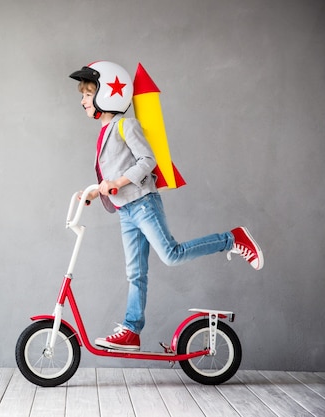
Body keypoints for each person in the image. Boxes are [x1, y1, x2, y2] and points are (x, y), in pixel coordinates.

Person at [69, 61, 264, 351]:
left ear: (108, 93)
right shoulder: (104, 130)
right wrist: (96, 192)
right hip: (126, 212)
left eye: (86, 93)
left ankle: (232, 238)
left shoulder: (125, 124)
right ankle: (131, 331)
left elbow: (147, 162)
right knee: (135, 274)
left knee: (171, 254)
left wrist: (117, 184)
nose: (82, 100)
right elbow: (115, 173)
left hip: (143, 204)